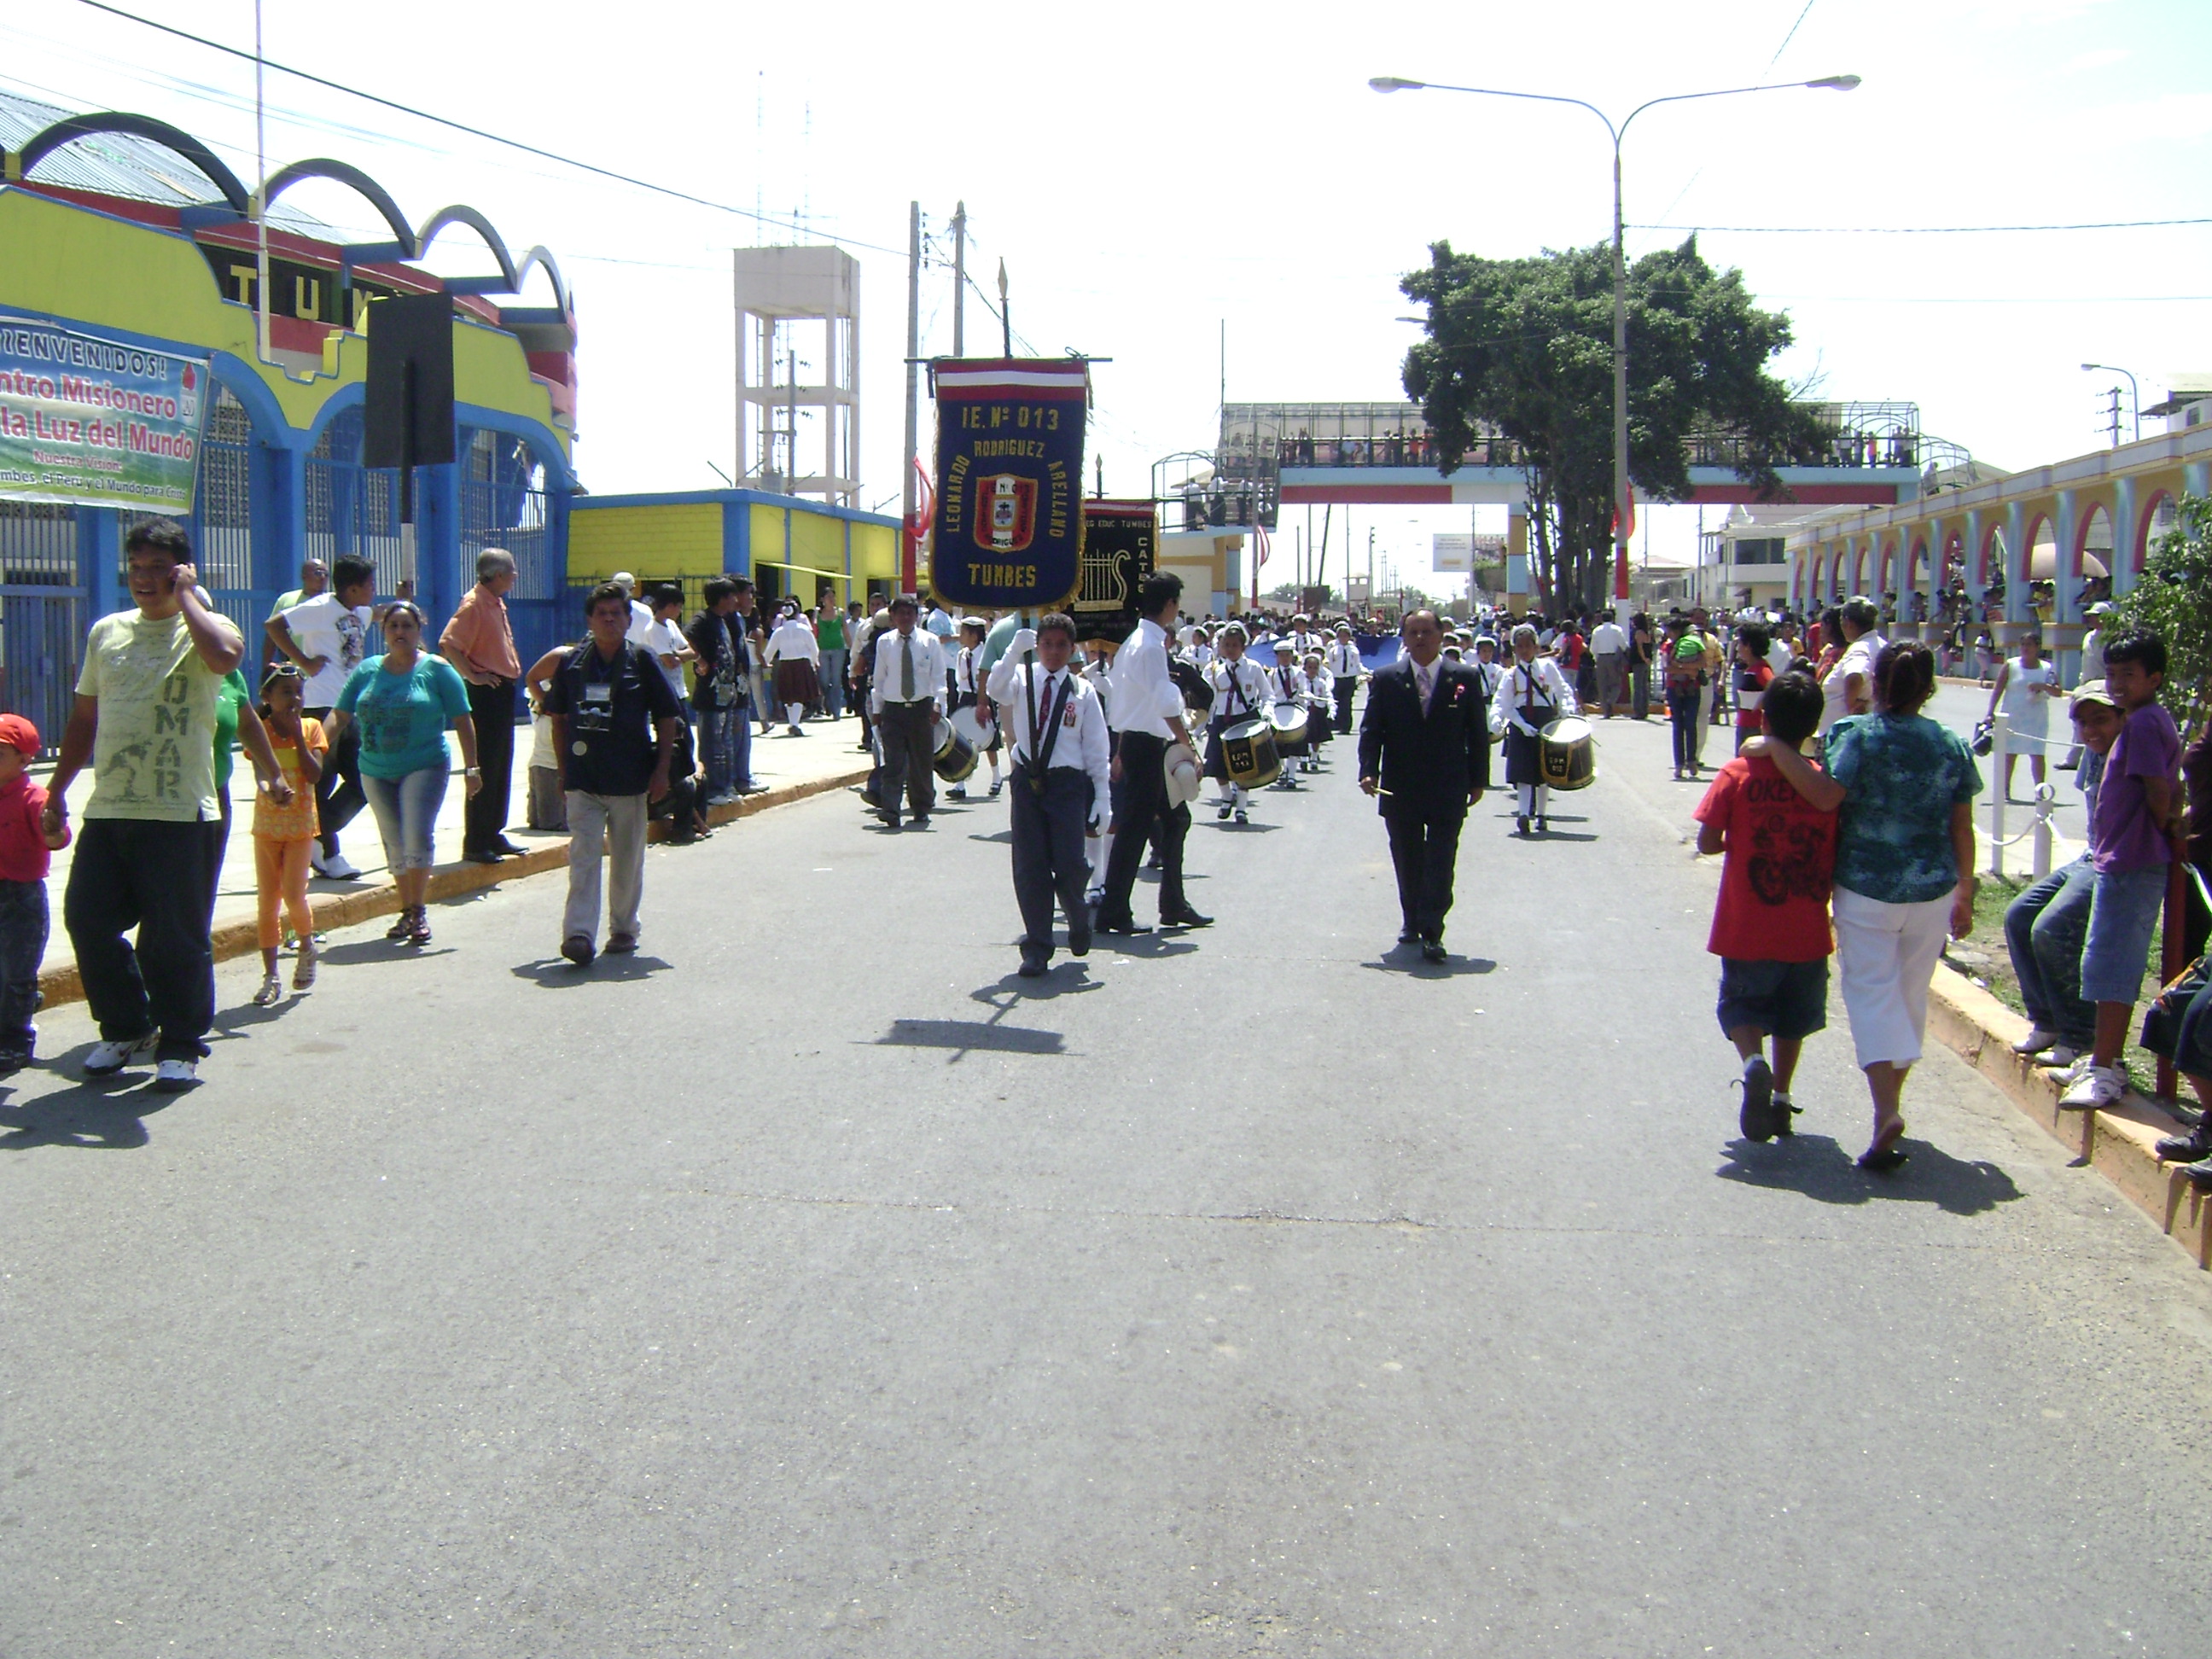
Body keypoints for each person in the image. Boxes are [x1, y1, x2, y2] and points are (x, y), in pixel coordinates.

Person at [1759, 643, 1981, 1171]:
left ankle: (1885, 1112)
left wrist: (1773, 746)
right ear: (1929, 689)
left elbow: (1824, 795)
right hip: (1933, 888)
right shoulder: (1951, 746)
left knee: (1871, 994)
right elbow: (1961, 826)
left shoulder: (1853, 736)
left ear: (1875, 684)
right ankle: (1892, 1105)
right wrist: (1966, 890)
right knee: (1908, 997)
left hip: (1865, 885)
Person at [44, 517, 245, 1090]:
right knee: (87, 918)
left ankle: (181, 1042)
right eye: (137, 568)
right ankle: (128, 1026)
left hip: (181, 812)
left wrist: (186, 596)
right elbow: (84, 718)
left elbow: (227, 658)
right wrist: (57, 790)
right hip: (111, 808)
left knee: (172, 938)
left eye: (160, 568)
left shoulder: (207, 626)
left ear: (183, 570)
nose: (144, 578)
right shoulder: (107, 633)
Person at [1696, 673, 1835, 1141]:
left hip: (1747, 921)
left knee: (1743, 1005)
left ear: (1765, 717)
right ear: (1813, 725)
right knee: (1794, 1016)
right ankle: (1781, 1097)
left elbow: (1708, 841)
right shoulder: (1822, 785)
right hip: (1807, 924)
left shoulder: (1737, 772)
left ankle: (1754, 1063)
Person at [2055, 631, 2182, 1110]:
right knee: (2102, 960)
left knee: (2113, 966)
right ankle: (2099, 1058)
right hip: (2120, 858)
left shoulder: (2146, 723)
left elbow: (2157, 787)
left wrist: (2161, 824)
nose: (2119, 683)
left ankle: (2107, 1068)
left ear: (2154, 678)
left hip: (2134, 859)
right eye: (2112, 674)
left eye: (2129, 675)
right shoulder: (2139, 719)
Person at [534, 583, 684, 966]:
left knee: (627, 858)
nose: (609, 619)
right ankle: (579, 934)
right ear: (589, 620)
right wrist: (563, 773)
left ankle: (623, 928)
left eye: (616, 613)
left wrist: (662, 771)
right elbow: (559, 719)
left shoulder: (643, 661)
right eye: (601, 613)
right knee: (583, 855)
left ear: (628, 619)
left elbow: (667, 717)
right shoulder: (571, 663)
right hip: (584, 779)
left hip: (630, 779)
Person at [328, 602, 480, 947]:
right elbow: (340, 714)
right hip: (374, 768)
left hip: (423, 765)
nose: (400, 632)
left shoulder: (437, 670)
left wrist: (472, 768)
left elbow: (463, 720)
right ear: (383, 632)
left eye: (407, 626)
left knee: (416, 834)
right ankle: (406, 909)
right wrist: (317, 746)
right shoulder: (367, 671)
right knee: (393, 840)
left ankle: (418, 908)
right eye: (393, 626)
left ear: (419, 630)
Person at [1358, 609, 1490, 963]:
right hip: (1401, 786)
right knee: (1407, 857)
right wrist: (1368, 770)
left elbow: (1477, 732)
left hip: (1448, 784)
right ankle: (1411, 919)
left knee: (1441, 859)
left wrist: (1479, 780)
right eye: (1413, 632)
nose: (1420, 638)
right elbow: (1372, 729)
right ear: (1403, 637)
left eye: (1426, 631)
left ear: (1440, 635)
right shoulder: (1386, 679)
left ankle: (1433, 930)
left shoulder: (1464, 677)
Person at [2005, 682, 2120, 1074]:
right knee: (2020, 915)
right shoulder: (2092, 755)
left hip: (2116, 862)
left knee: (2050, 929)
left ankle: (2078, 1034)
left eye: (2101, 720)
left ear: (2122, 717)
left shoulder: (2131, 752)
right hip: (2090, 853)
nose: (2092, 731)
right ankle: (2047, 1021)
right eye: (2083, 722)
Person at [991, 614, 1112, 977]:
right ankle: (1038, 947)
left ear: (1072, 649)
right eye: (1046, 645)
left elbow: (1095, 748)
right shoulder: (1023, 679)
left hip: (1067, 784)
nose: (1054, 652)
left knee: (1071, 863)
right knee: (1030, 867)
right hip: (1027, 780)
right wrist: (1014, 651)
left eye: (1061, 645)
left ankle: (1076, 915)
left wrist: (1103, 797)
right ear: (1037, 646)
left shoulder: (1082, 691)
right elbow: (996, 690)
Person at [1097, 572, 1209, 934]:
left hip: (1139, 742)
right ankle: (1115, 909)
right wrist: (1188, 746)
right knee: (1137, 826)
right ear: (1170, 604)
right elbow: (1164, 702)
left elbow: (1133, 700)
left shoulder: (1137, 641)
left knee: (1173, 820)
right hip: (1148, 747)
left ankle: (1171, 903)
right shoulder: (1148, 645)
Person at [267, 554, 375, 879]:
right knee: (322, 781)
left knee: (362, 782)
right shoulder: (320, 607)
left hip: (348, 707)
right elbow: (274, 625)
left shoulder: (361, 612)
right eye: (370, 585)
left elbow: (382, 613)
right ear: (353, 588)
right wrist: (303, 661)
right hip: (320, 706)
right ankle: (327, 851)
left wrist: (405, 600)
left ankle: (310, 837)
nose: (373, 591)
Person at [439, 548, 527, 865]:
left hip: (502, 689)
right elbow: (449, 643)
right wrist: (473, 676)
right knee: (485, 765)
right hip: (486, 694)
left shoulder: (496, 602)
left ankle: (493, 832)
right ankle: (476, 840)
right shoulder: (475, 603)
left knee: (501, 764)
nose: (515, 576)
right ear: (498, 574)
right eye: (512, 571)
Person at [247, 665, 326, 1006]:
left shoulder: (311, 728)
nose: (294, 699)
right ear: (267, 698)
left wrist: (296, 736)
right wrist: (270, 792)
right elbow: (261, 775)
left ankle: (306, 945)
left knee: (294, 895)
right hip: (267, 827)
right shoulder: (259, 731)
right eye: (286, 693)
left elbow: (314, 775)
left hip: (299, 829)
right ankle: (270, 975)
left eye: (298, 692)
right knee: (268, 901)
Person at [0, 714, 68, 1072]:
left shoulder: (33, 797)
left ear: (24, 760)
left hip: (21, 897)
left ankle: (16, 1039)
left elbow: (56, 837)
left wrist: (53, 831)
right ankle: (19, 1008)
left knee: (17, 970)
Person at [869, 595, 948, 830]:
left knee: (921, 761)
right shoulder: (884, 642)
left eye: (909, 613)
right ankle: (891, 809)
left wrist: (938, 704)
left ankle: (921, 806)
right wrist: (877, 709)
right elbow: (880, 677)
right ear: (892, 617)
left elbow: (939, 677)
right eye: (900, 613)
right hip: (893, 710)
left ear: (917, 616)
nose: (905, 618)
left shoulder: (930, 641)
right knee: (894, 762)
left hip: (922, 708)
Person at [1498, 623, 1575, 835]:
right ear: (1515, 649)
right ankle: (1523, 814)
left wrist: (1567, 710)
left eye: (1528, 646)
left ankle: (1541, 814)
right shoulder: (1510, 675)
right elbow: (1506, 705)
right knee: (1523, 771)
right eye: (1519, 647)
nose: (1524, 650)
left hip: (1545, 720)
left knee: (1544, 771)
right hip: (1522, 722)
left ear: (1536, 647)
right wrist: (1521, 726)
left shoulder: (1548, 667)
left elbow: (1562, 690)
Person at [686, 577, 754, 804]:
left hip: (727, 696)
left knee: (725, 745)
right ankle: (711, 790)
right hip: (710, 695)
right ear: (722, 598)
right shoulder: (703, 619)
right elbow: (686, 639)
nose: (736, 600)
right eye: (732, 596)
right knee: (712, 745)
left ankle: (725, 787)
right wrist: (700, 661)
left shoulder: (724, 620)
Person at [1202, 623, 1271, 825]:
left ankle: (1241, 808)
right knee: (1217, 765)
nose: (1230, 649)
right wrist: (1200, 724)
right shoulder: (1214, 670)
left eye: (1234, 645)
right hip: (1222, 720)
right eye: (1226, 645)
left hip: (1244, 721)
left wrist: (1267, 714)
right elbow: (1208, 699)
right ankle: (1226, 797)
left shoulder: (1253, 668)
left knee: (1244, 766)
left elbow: (1267, 694)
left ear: (1243, 647)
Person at [1987, 630, 2058, 801]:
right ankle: (2005, 791)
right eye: (2023, 645)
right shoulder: (2011, 666)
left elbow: (2058, 691)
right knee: (2010, 753)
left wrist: (2043, 686)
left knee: (2037, 753)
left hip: (2036, 718)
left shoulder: (2047, 668)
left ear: (2037, 647)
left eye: (2030, 645)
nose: (2025, 648)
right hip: (2012, 716)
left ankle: (2040, 791)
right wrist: (1990, 713)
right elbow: (1998, 690)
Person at [949, 617, 1003, 801]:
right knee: (961, 740)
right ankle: (960, 783)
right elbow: (959, 680)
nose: (960, 637)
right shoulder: (962, 655)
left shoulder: (986, 654)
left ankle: (996, 777)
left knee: (989, 740)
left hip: (983, 697)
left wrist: (988, 701)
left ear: (974, 635)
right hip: (966, 697)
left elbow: (990, 678)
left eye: (963, 633)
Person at [1818, 596, 1886, 736]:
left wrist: (1851, 708)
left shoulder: (1860, 649)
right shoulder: (1882, 645)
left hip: (1843, 732)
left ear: (1848, 623)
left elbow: (1855, 675)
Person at [766, 603, 821, 736]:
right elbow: (814, 649)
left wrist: (765, 663)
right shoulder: (804, 629)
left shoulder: (778, 632)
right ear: (797, 614)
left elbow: (770, 650)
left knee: (789, 696)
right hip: (802, 664)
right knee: (799, 696)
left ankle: (793, 723)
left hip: (785, 665)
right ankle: (794, 724)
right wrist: (814, 661)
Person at [1731, 624, 1774, 748]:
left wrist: (1759, 705)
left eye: (1740, 644)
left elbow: (1774, 688)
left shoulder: (1761, 670)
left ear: (1748, 646)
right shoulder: (1751, 669)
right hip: (1745, 724)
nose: (1737, 648)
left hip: (1753, 728)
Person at [1325, 624, 1364, 735]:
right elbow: (1329, 663)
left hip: (1349, 678)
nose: (1343, 638)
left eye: (1345, 636)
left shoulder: (1353, 650)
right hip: (1337, 678)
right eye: (1341, 636)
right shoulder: (1333, 650)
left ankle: (1346, 726)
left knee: (1346, 702)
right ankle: (1336, 723)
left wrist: (1364, 673)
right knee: (1336, 701)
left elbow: (1357, 664)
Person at [816, 596, 848, 719]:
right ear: (823, 599)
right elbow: (815, 631)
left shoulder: (840, 613)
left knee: (836, 680)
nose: (832, 600)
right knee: (823, 680)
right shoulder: (818, 613)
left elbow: (845, 631)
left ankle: (836, 711)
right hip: (822, 649)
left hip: (838, 649)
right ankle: (828, 702)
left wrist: (852, 648)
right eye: (829, 598)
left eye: (833, 597)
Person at [1590, 612, 1627, 717]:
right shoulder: (1617, 629)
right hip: (1613, 658)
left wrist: (1596, 658)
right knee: (1616, 683)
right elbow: (1623, 645)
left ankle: (1606, 711)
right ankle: (1611, 701)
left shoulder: (1596, 630)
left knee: (1602, 685)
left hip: (1600, 658)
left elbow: (1593, 648)